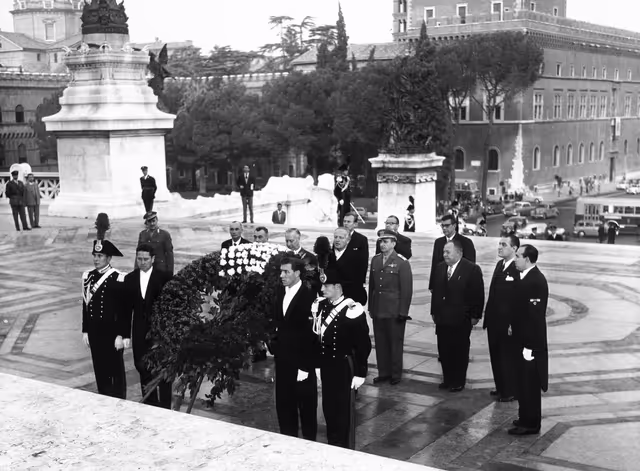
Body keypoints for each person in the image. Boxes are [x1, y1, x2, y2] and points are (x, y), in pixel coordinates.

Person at [313, 269, 371, 449]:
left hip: (344, 366)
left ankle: (343, 446)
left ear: (337, 287)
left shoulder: (352, 308)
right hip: (326, 364)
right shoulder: (321, 305)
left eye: (326, 285)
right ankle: (332, 442)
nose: (322, 289)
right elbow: (317, 337)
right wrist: (317, 363)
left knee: (342, 410)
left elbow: (363, 344)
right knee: (329, 408)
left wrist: (361, 372)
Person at [271, 257, 318, 440]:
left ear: (297, 273)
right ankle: (286, 440)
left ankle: (309, 445)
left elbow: (312, 334)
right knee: (284, 405)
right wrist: (274, 345)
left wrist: (305, 367)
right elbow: (277, 321)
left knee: (306, 409)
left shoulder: (309, 296)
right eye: (281, 272)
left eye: (286, 272)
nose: (281, 275)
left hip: (301, 363)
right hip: (283, 360)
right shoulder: (279, 291)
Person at [430, 240, 484, 392]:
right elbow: (436, 292)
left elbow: (477, 295)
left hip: (461, 320)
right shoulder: (440, 268)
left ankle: (458, 380)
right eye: (443, 252)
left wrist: (475, 316)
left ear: (459, 253)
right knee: (444, 350)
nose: (444, 255)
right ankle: (447, 379)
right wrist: (434, 312)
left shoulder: (471, 269)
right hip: (442, 319)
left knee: (459, 351)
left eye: (448, 252)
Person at [123, 244, 173, 408]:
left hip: (159, 334)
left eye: (145, 259)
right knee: (142, 367)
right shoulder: (130, 279)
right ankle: (149, 405)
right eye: (139, 259)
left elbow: (169, 307)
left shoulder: (164, 277)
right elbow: (126, 310)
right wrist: (125, 335)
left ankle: (165, 406)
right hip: (138, 332)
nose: (142, 262)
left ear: (153, 259)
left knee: (162, 370)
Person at [82, 239, 129, 399]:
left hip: (112, 335)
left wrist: (121, 335)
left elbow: (124, 310)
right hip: (95, 334)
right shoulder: (88, 277)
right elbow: (85, 306)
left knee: (115, 372)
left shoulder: (118, 278)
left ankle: (120, 402)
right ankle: (103, 400)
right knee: (100, 369)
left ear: (109, 258)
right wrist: (85, 330)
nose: (96, 259)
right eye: (94, 255)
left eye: (100, 255)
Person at [510, 244, 549, 435]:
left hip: (530, 344)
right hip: (521, 340)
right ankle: (524, 417)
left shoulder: (536, 281)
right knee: (522, 382)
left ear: (527, 259)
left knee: (530, 384)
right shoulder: (524, 276)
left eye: (518, 256)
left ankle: (532, 423)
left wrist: (529, 347)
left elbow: (534, 317)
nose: (515, 259)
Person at [368, 230, 413, 385]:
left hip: (394, 310)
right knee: (380, 342)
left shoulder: (402, 262)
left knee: (395, 343)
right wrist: (371, 307)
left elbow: (406, 290)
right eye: (381, 241)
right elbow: (372, 287)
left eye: (386, 241)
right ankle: (383, 372)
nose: (382, 244)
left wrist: (403, 311)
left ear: (394, 243)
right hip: (378, 308)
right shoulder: (375, 260)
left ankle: (395, 374)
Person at [483, 235, 521, 403]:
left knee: (507, 357)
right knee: (496, 355)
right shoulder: (500, 265)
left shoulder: (517, 268)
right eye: (499, 244)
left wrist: (514, 322)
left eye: (504, 245)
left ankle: (510, 390)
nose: (499, 247)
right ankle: (500, 387)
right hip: (494, 320)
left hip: (507, 323)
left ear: (514, 248)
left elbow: (518, 299)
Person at [428, 214, 476, 292]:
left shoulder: (466, 242)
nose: (444, 228)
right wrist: (432, 285)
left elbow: (471, 267)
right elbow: (435, 264)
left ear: (454, 226)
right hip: (441, 285)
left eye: (447, 225)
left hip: (459, 286)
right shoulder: (438, 242)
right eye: (442, 226)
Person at [327, 227, 367, 305]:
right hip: (330, 299)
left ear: (348, 240)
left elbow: (358, 280)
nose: (337, 240)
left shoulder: (357, 257)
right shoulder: (327, 255)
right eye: (335, 237)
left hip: (349, 299)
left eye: (341, 237)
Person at [137, 211, 174, 276]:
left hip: (160, 269)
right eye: (149, 222)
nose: (152, 223)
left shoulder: (164, 234)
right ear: (146, 223)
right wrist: (136, 269)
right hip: (146, 269)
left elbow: (169, 254)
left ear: (157, 220)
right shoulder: (142, 234)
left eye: (153, 221)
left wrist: (170, 272)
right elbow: (138, 253)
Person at [342, 212, 369, 299]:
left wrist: (361, 283)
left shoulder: (361, 240)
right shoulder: (338, 237)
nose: (345, 224)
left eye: (348, 222)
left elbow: (363, 262)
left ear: (355, 224)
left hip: (354, 282)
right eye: (344, 221)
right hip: (339, 282)